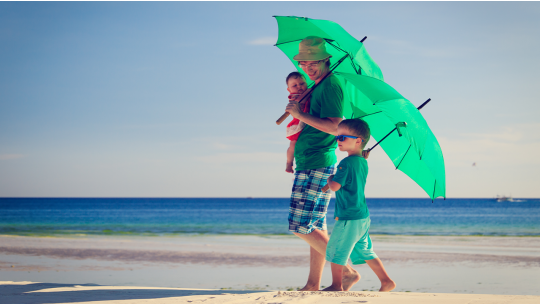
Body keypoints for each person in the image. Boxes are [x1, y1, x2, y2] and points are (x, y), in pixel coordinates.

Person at [284, 36, 362, 291]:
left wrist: (299, 114)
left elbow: (334, 127)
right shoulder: (316, 85)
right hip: (311, 161)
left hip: (317, 162)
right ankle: (312, 283)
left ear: (326, 59)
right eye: (303, 62)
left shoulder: (329, 86)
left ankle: (348, 272)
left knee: (299, 226)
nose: (307, 66)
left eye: (313, 62)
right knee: (315, 226)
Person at [324, 118, 396, 292]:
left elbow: (335, 186)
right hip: (362, 216)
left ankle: (336, 285)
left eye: (342, 137)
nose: (338, 141)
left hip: (348, 216)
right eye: (337, 137)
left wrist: (329, 178)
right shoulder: (363, 162)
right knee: (365, 250)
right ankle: (386, 281)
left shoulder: (346, 163)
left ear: (358, 141)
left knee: (336, 249)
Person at [285, 72, 310, 173]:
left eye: (302, 83)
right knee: (293, 145)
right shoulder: (294, 97)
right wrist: (309, 92)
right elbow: (302, 102)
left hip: (306, 121)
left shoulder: (308, 93)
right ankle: (289, 163)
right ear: (289, 90)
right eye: (294, 85)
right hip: (298, 124)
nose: (299, 87)